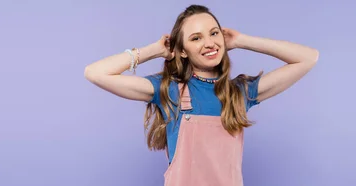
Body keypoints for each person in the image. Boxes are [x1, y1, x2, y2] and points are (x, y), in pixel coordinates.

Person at [83, 4, 319, 186]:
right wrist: (154, 51)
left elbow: (308, 58)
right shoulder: (169, 89)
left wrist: (243, 41)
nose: (209, 43)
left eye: (214, 33)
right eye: (196, 38)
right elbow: (95, 73)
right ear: (182, 51)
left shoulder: (238, 93)